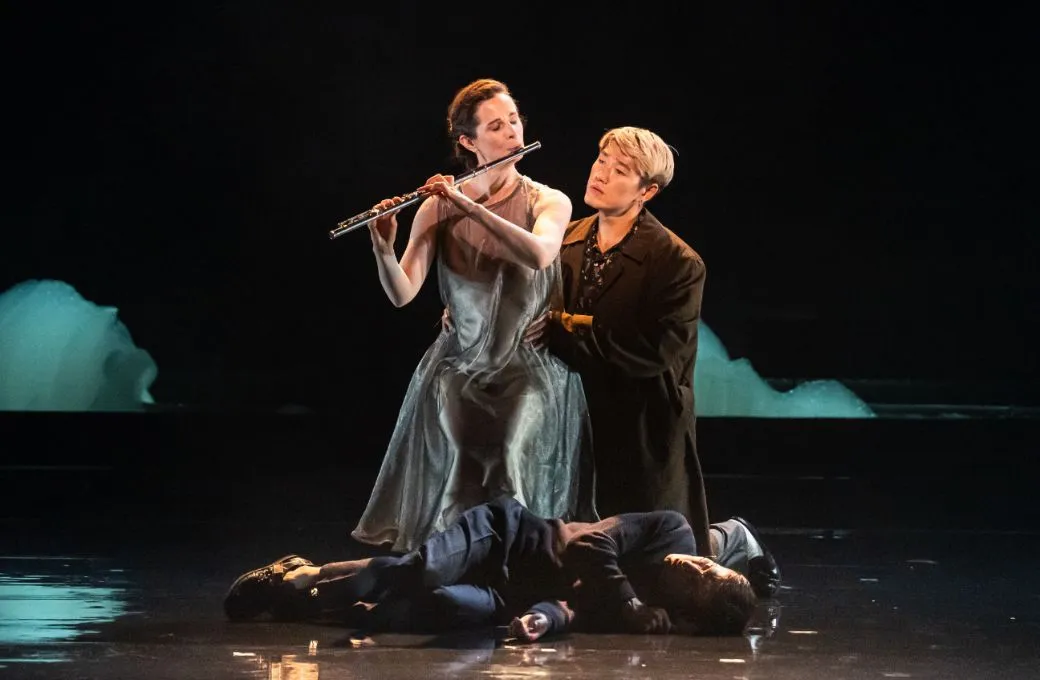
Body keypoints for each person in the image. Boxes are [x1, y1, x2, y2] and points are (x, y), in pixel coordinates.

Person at [352, 78, 595, 553]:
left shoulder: (549, 200)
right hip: (460, 363)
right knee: (462, 462)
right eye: (496, 126)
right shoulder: (435, 208)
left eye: (514, 121)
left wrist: (466, 205)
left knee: (507, 455)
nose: (512, 132)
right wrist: (382, 247)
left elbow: (540, 254)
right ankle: (455, 561)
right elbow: (402, 294)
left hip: (527, 364)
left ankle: (518, 561)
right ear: (468, 142)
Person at [223, 496, 781, 641]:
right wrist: (630, 603)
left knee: (431, 607)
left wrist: (543, 620)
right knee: (423, 570)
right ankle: (302, 580)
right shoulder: (673, 532)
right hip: (505, 538)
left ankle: (308, 601)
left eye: (700, 577)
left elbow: (575, 611)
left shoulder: (649, 617)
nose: (694, 561)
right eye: (709, 564)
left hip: (507, 596)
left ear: (688, 615)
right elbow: (592, 546)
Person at [540, 126, 712, 555]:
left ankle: (732, 539)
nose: (601, 174)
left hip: (639, 421)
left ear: (646, 191)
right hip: (572, 413)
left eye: (620, 171)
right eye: (602, 161)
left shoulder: (676, 262)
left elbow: (654, 352)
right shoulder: (563, 240)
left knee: (650, 555)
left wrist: (567, 334)